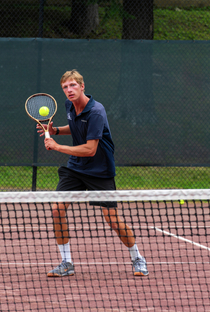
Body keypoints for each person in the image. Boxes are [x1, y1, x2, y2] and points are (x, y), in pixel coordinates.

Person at [37, 69, 149, 277]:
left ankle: (137, 258)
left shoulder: (96, 111)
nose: (69, 90)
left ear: (82, 86)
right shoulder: (70, 105)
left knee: (113, 221)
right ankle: (66, 262)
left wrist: (57, 146)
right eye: (65, 87)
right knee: (56, 209)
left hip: (100, 170)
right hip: (76, 167)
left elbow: (90, 149)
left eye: (72, 85)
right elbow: (76, 126)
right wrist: (56, 131)